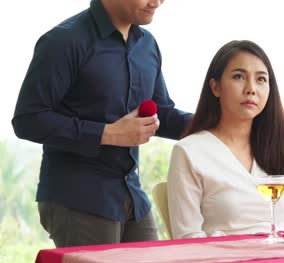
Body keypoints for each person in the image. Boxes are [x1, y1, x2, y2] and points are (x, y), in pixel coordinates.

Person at [11, 0, 191, 247]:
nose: (158, 2)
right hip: (78, 197)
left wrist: (216, 123)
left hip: (133, 196)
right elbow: (28, 119)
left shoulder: (147, 45)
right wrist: (107, 134)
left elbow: (161, 114)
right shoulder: (63, 41)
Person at [167, 40, 284, 239]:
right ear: (216, 87)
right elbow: (187, 239)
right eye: (239, 77)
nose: (251, 89)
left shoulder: (281, 152)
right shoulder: (190, 152)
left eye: (261, 79)